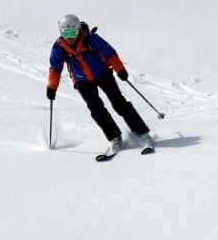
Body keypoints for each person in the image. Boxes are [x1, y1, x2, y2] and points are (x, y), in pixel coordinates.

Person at [46, 14, 152, 156]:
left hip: (102, 73)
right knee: (96, 109)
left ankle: (142, 132)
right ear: (61, 32)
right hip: (82, 81)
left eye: (73, 32)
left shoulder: (91, 39)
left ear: (78, 30)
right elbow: (55, 69)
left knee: (119, 102)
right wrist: (52, 87)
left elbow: (110, 53)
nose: (69, 37)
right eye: (66, 33)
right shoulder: (59, 48)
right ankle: (114, 138)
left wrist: (120, 69)